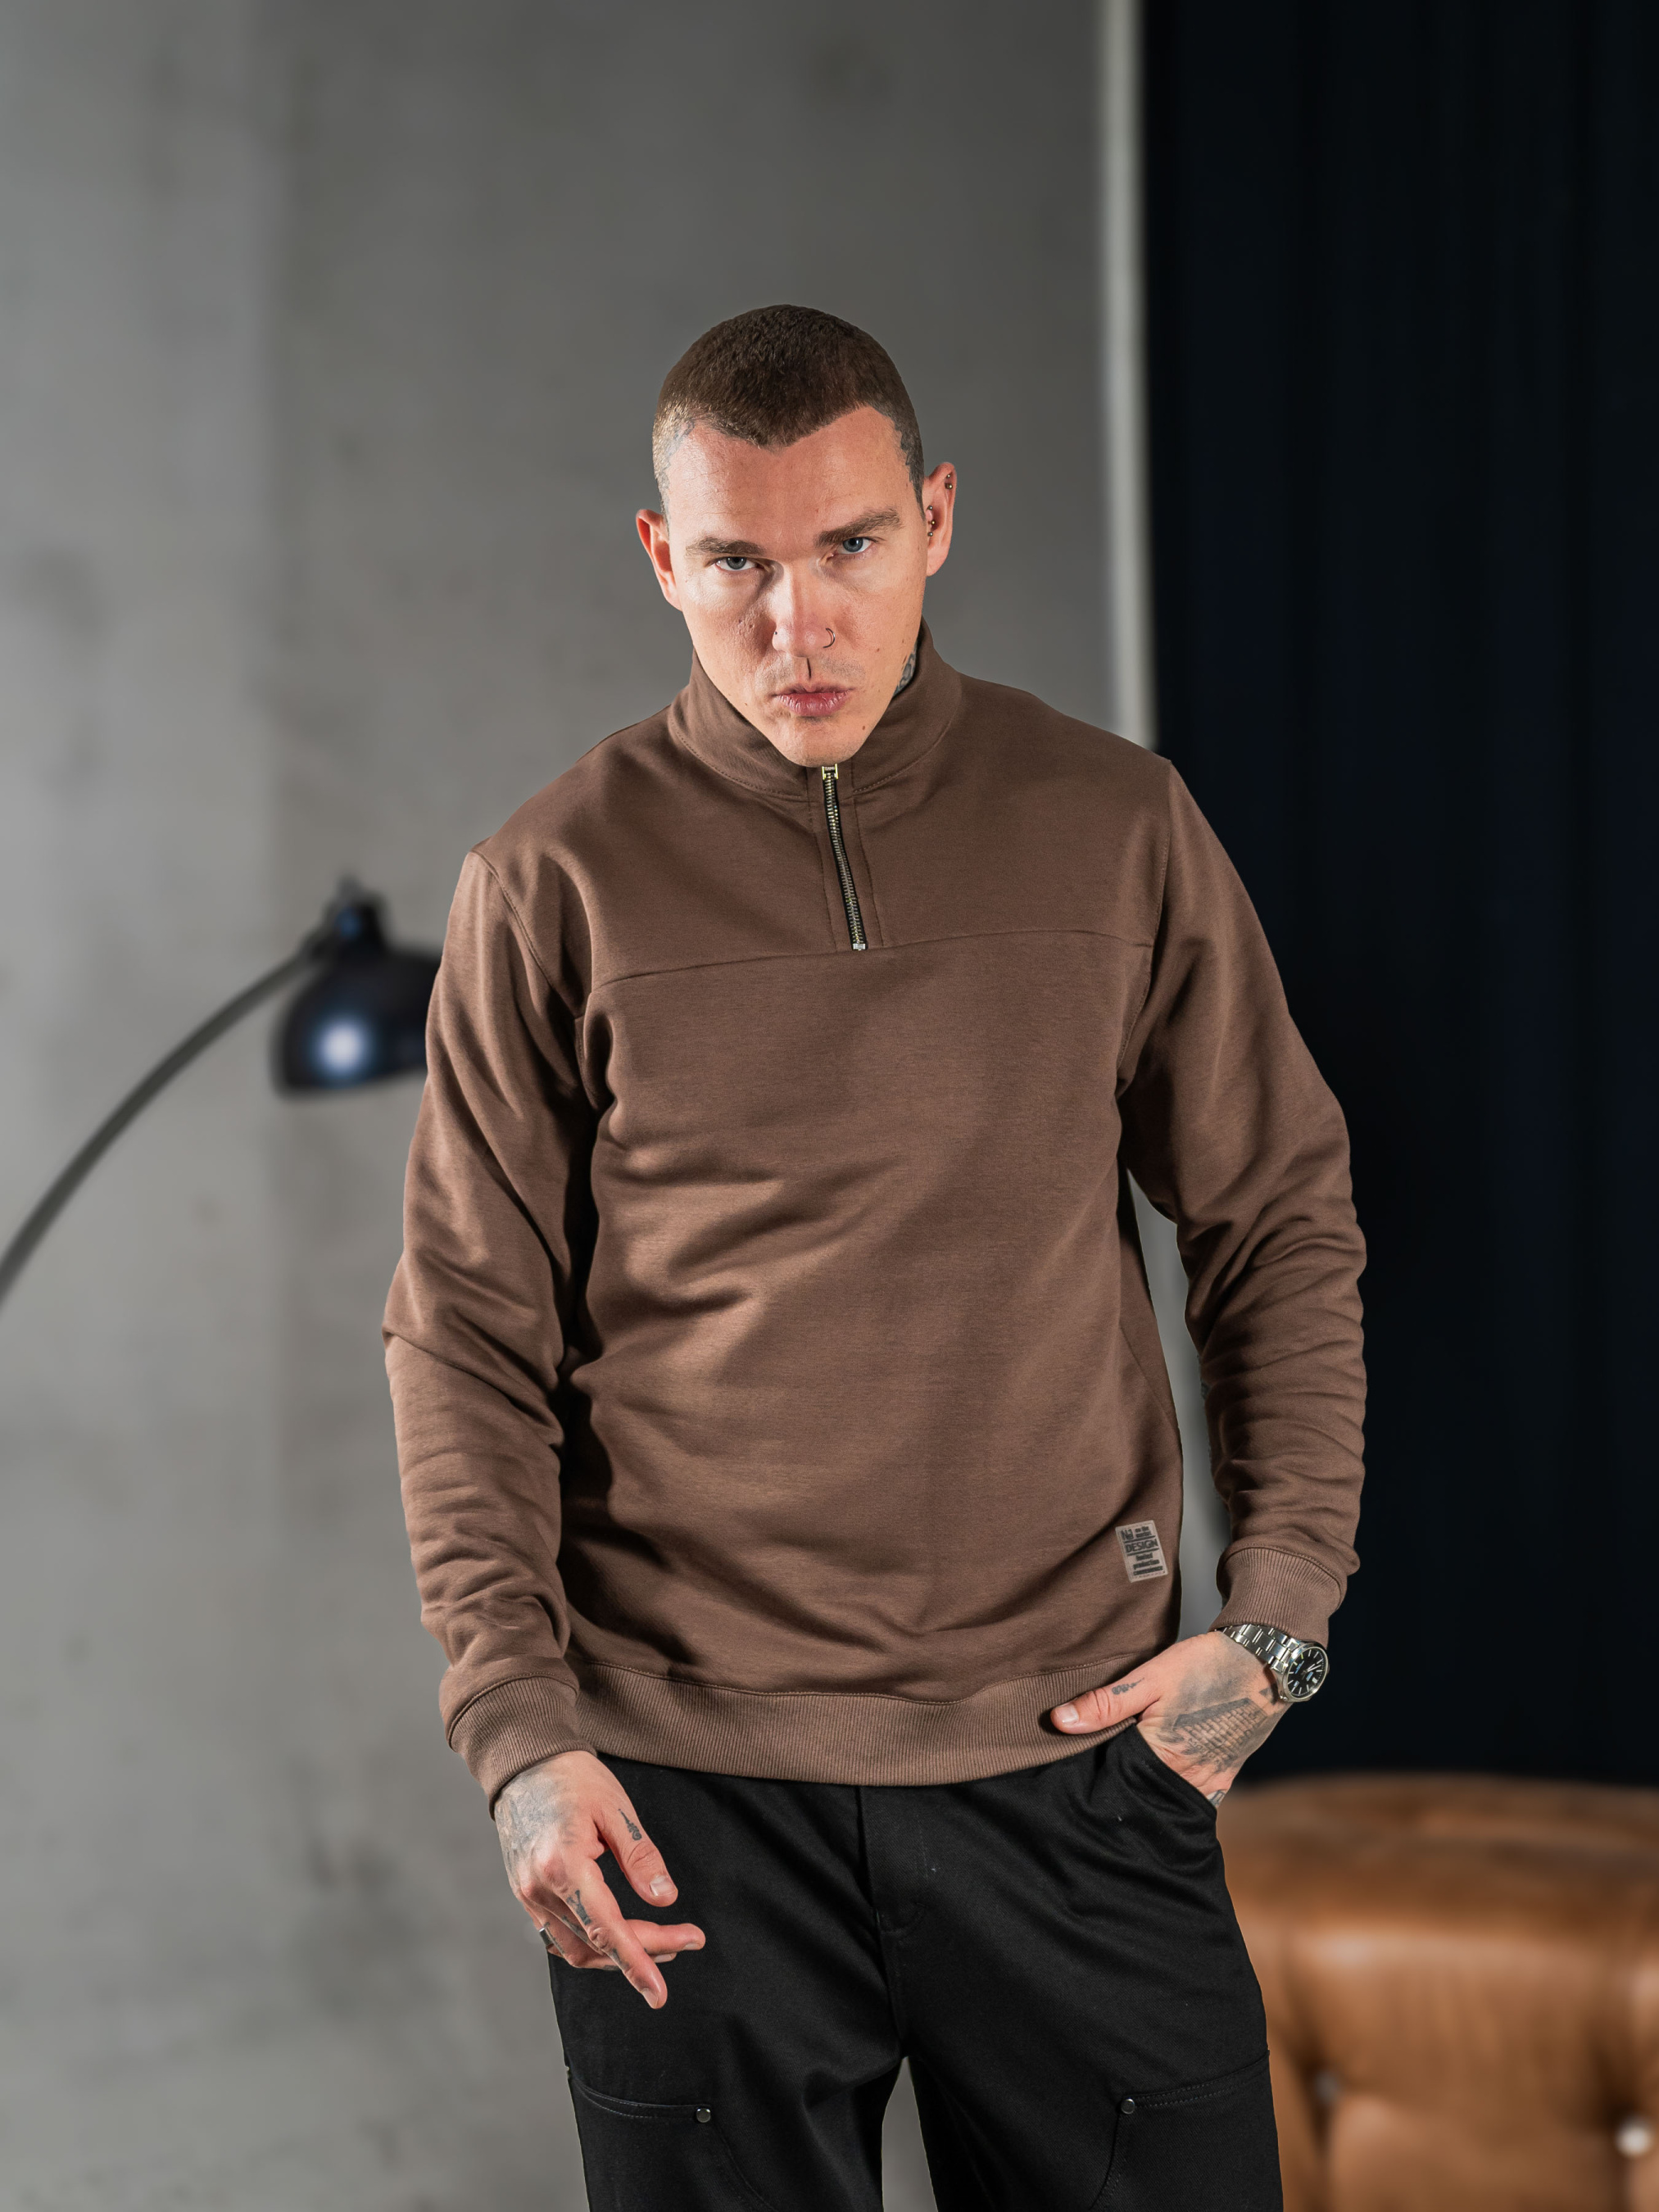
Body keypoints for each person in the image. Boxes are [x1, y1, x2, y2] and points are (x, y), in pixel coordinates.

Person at [384, 304, 1365, 2210]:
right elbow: (465, 1338)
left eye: (846, 547)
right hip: (682, 1804)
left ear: (932, 522)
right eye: (735, 564)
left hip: (1076, 1762)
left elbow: (1276, 1219)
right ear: (660, 558)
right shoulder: (550, 879)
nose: (796, 623)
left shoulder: (1115, 826)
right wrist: (517, 1737)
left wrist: (1275, 1621)